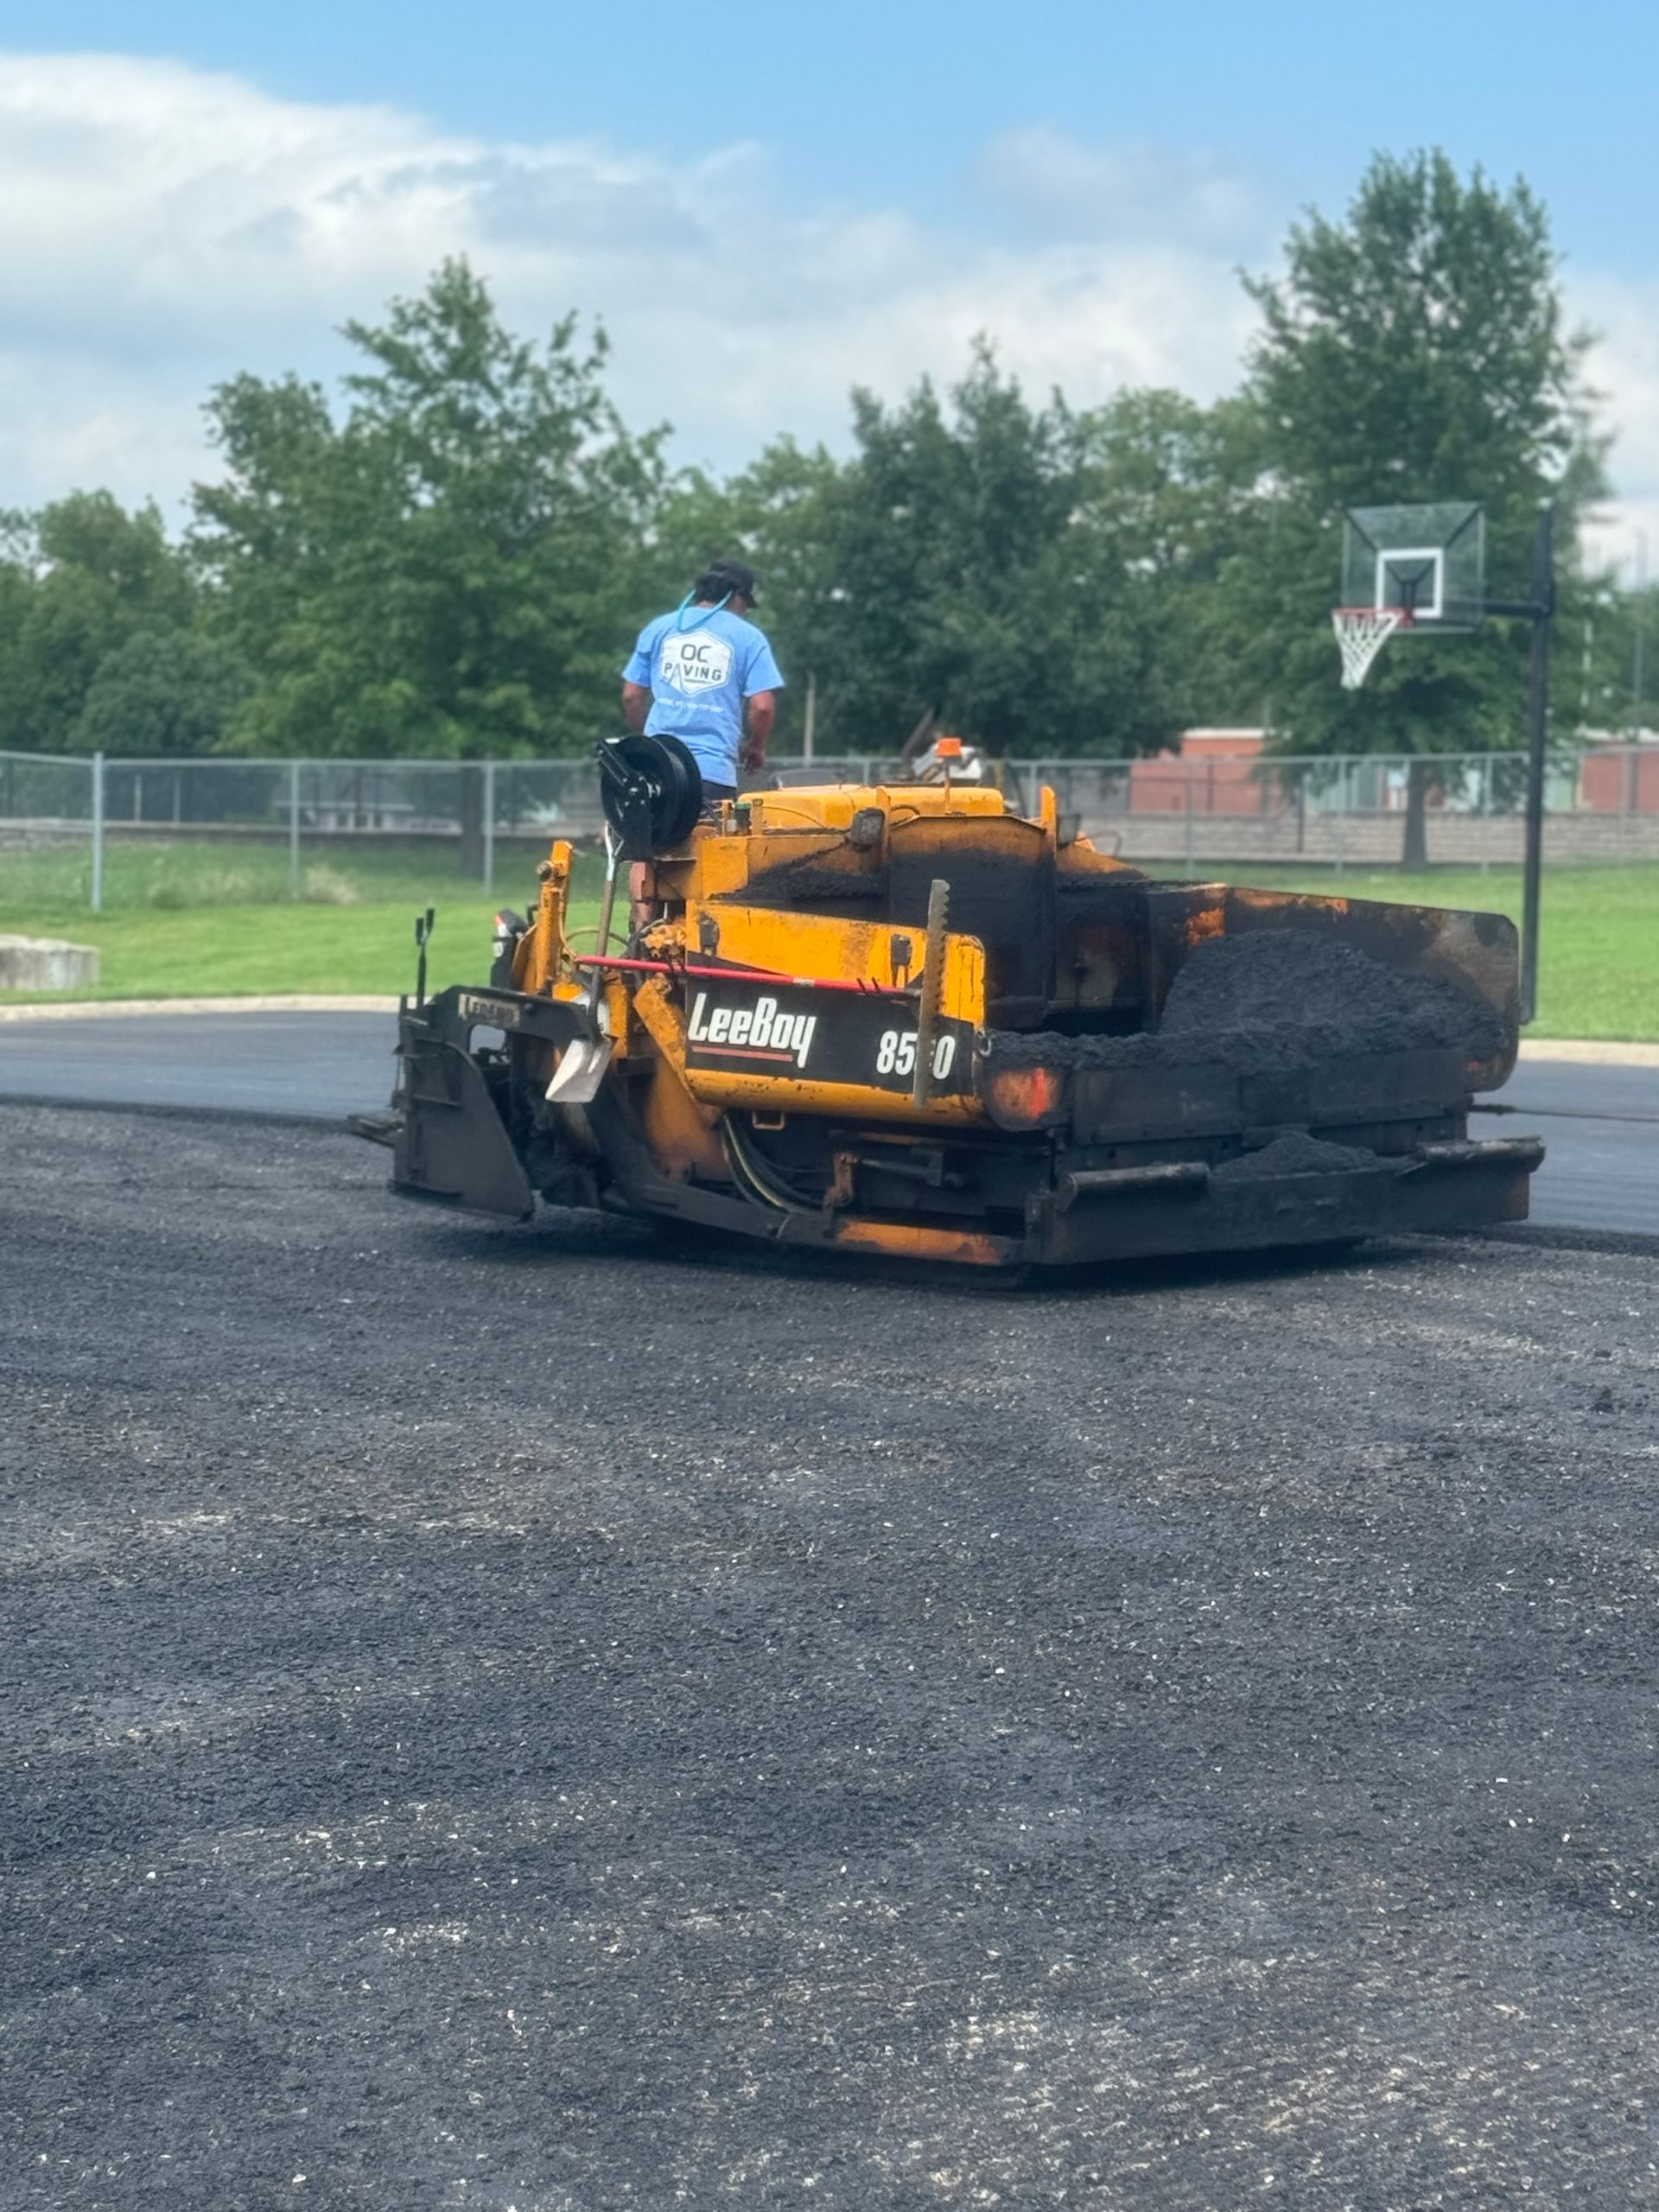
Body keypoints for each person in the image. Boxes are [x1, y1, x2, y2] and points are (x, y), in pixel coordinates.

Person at [621, 559, 784, 816]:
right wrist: (756, 747)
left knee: (653, 851)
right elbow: (762, 707)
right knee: (711, 852)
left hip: (657, 768)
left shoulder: (659, 628)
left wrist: (648, 741)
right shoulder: (749, 638)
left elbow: (632, 697)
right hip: (712, 775)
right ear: (737, 596)